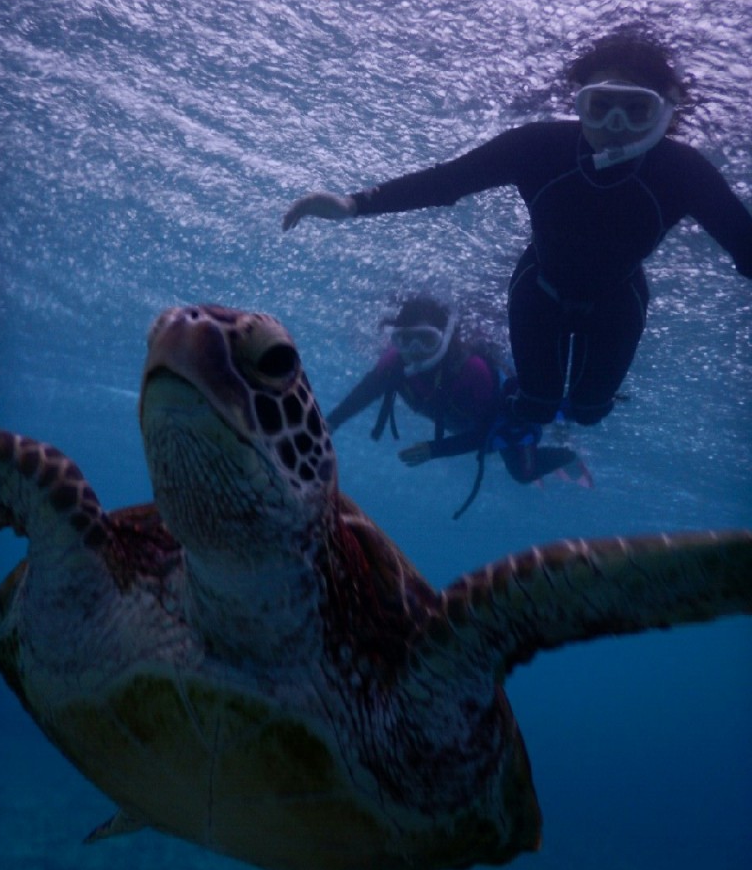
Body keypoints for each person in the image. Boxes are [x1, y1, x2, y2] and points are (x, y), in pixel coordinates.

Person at [283, 26, 752, 427]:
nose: (614, 124)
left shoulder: (683, 171)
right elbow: (450, 181)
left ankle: (573, 416)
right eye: (599, 105)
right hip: (538, 293)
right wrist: (352, 205)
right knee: (537, 408)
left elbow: (744, 244)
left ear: (664, 114)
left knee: (589, 412)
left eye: (636, 109)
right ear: (579, 104)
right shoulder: (539, 147)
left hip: (618, 304)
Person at [326, 295, 590, 517]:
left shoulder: (472, 371)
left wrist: (434, 449)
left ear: (445, 338)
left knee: (523, 473)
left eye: (426, 340)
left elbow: (483, 435)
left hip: (502, 422)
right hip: (468, 424)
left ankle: (568, 453)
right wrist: (331, 422)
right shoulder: (394, 363)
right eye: (405, 340)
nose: (415, 350)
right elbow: (363, 394)